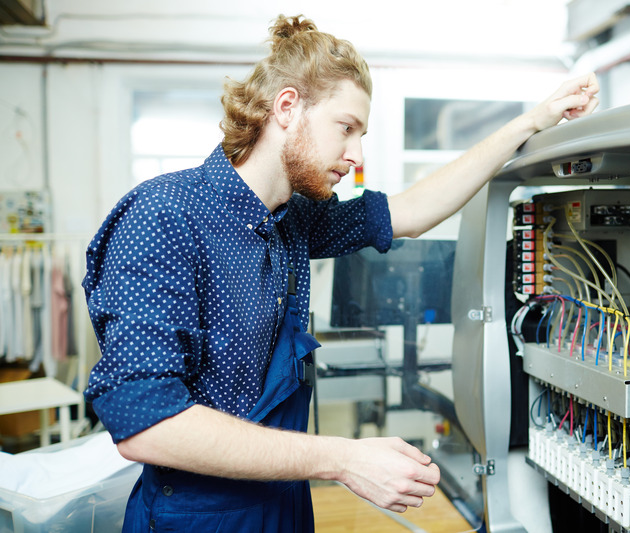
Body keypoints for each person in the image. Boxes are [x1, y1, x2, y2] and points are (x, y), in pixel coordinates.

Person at [82, 14, 599, 533]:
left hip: (281, 505)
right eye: (345, 128)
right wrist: (344, 459)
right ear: (288, 107)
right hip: (195, 519)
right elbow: (147, 426)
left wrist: (532, 121)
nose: (355, 155)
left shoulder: (293, 219)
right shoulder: (164, 217)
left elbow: (413, 211)